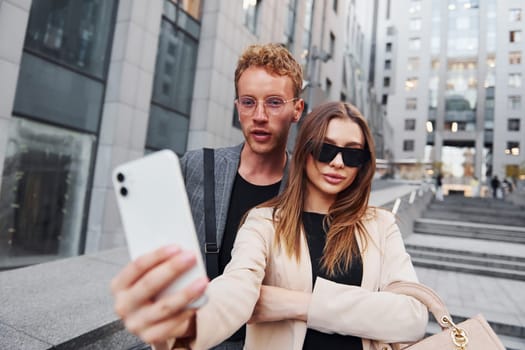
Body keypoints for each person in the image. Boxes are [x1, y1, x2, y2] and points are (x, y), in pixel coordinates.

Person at [111, 102, 428, 350]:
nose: (338, 162)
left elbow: (412, 316)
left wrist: (293, 303)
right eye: (326, 149)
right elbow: (236, 287)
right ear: (304, 152)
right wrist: (188, 323)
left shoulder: (380, 225)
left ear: (364, 164)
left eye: (353, 154)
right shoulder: (263, 222)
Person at [120, 43, 304, 350]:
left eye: (274, 103)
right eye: (248, 102)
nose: (259, 116)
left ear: (296, 110)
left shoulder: (306, 184)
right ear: (237, 107)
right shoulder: (196, 166)